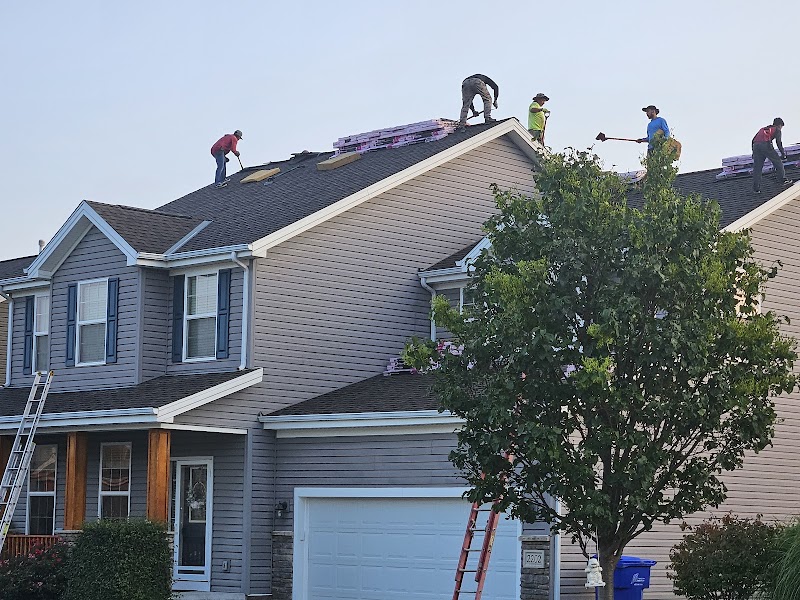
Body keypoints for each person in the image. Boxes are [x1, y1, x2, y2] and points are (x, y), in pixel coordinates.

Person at [752, 118, 791, 193]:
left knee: (757, 168)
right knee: (778, 162)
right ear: (779, 125)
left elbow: (753, 140)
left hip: (755, 146)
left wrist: (753, 152)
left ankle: (756, 188)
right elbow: (778, 142)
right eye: (781, 127)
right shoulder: (777, 129)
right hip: (766, 145)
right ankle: (783, 180)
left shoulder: (762, 129)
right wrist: (783, 154)